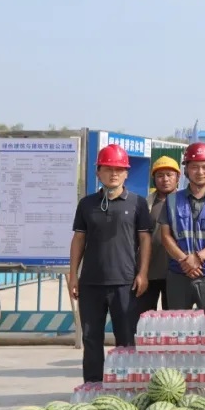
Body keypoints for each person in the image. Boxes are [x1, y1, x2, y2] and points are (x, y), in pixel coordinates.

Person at [68, 144, 152, 383]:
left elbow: (145, 240)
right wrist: (73, 275)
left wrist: (143, 273)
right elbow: (79, 239)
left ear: (126, 173)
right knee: (91, 338)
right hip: (91, 283)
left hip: (125, 283)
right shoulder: (87, 204)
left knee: (126, 338)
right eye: (107, 169)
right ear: (98, 172)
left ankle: (125, 386)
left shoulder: (137, 203)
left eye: (119, 169)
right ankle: (93, 385)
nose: (113, 174)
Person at [160, 142, 205, 311]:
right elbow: (165, 236)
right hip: (179, 274)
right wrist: (185, 261)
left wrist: (198, 258)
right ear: (186, 169)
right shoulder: (171, 200)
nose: (200, 172)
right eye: (194, 167)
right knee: (178, 325)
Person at [139, 156, 179, 314]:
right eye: (160, 175)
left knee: (173, 319)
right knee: (145, 317)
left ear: (178, 177)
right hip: (149, 272)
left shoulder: (185, 202)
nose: (165, 179)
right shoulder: (145, 204)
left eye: (169, 175)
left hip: (176, 273)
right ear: (154, 179)